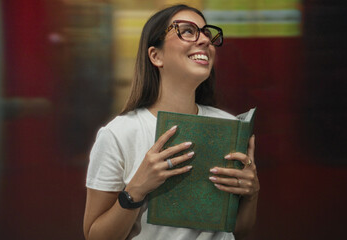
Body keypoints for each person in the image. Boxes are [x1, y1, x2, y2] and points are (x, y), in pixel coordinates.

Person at [83, 4, 259, 240]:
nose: (205, 40)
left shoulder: (229, 126)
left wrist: (251, 194)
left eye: (206, 33)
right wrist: (135, 190)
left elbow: (239, 231)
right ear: (156, 56)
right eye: (187, 31)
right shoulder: (119, 134)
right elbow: (95, 236)